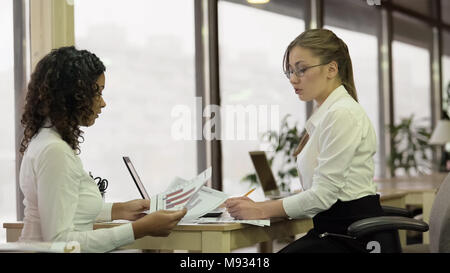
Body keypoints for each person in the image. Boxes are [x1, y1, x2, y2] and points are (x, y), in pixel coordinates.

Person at [225, 29, 384, 253]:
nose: (293, 79)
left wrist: (262, 209)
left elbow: (323, 197)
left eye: (301, 69)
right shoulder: (328, 113)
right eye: (290, 71)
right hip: (334, 231)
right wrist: (265, 206)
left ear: (332, 69)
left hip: (350, 238)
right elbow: (324, 190)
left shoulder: (342, 114)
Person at [18, 46, 187, 253]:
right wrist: (138, 229)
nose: (103, 103)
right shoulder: (55, 151)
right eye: (97, 92)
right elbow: (60, 242)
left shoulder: (46, 141)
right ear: (73, 95)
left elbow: (67, 209)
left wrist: (119, 210)